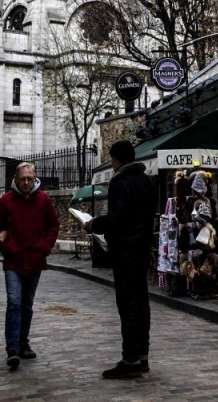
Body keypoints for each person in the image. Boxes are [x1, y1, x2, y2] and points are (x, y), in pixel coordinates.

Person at [85, 140, 156, 379]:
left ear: (116, 159)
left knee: (128, 305)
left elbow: (117, 219)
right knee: (141, 302)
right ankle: (142, 355)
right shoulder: (146, 181)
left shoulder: (120, 182)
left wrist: (93, 224)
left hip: (126, 251)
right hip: (143, 249)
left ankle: (130, 359)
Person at [0, 162, 60, 370]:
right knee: (14, 301)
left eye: (30, 179)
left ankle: (23, 342)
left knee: (27, 304)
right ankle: (12, 348)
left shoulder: (44, 200)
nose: (27, 183)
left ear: (35, 177)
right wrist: (6, 246)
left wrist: (44, 247)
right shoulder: (6, 201)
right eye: (23, 179)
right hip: (14, 260)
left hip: (35, 259)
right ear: (16, 179)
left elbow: (53, 226)